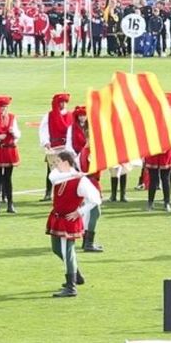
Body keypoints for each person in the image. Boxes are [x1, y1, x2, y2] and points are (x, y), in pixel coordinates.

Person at [46, 151, 101, 297]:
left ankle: (71, 286)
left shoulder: (81, 181)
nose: (55, 164)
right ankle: (77, 276)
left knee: (67, 250)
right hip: (57, 217)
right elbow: (53, 178)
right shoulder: (59, 174)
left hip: (68, 219)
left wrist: (80, 211)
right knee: (56, 248)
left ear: (66, 162)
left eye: (58, 161)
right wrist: (73, 174)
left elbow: (96, 199)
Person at [64, 105, 103, 252]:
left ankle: (87, 240)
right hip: (91, 182)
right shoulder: (88, 152)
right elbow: (91, 168)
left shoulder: (84, 151)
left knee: (92, 211)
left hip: (89, 181)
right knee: (94, 211)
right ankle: (88, 242)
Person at [39, 93, 72, 202]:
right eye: (60, 102)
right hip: (54, 147)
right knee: (51, 170)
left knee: (68, 170)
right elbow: (43, 129)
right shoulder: (49, 115)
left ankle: (68, 192)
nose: (62, 104)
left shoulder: (71, 115)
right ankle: (48, 193)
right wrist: (46, 142)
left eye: (64, 102)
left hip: (67, 147)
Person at [144, 148, 171, 212]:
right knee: (153, 180)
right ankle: (150, 202)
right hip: (153, 153)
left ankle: (167, 203)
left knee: (166, 179)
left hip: (165, 153)